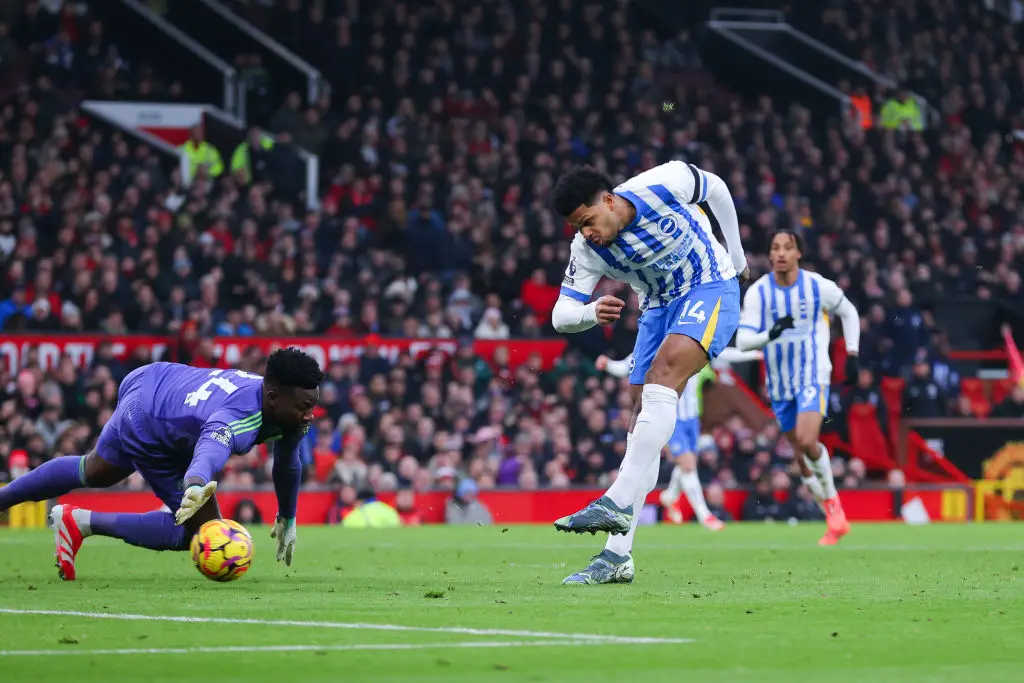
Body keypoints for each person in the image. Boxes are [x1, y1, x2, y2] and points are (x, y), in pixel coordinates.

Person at [549, 162, 747, 585]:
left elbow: (718, 188)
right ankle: (618, 557)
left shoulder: (664, 183)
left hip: (709, 285)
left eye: (586, 221)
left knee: (663, 377)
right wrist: (589, 312)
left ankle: (615, 498)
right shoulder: (586, 250)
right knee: (641, 421)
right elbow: (560, 316)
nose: (585, 233)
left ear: (607, 200)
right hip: (657, 306)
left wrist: (737, 254)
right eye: (576, 227)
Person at [0, 348, 323, 580]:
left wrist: (288, 516)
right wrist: (195, 482)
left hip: (152, 379)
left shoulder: (283, 405)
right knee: (203, 534)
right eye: (305, 406)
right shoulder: (240, 417)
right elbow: (211, 445)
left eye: (312, 405)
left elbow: (287, 461)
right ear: (272, 398)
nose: (310, 414)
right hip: (153, 421)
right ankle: (82, 521)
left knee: (95, 470)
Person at [735, 230, 860, 546]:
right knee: (802, 458)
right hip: (780, 384)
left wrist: (854, 353)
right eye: (775, 248)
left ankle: (833, 505)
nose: (780, 253)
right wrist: (770, 334)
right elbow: (744, 339)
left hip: (813, 374)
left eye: (787, 248)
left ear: (798, 253)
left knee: (806, 439)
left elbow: (848, 311)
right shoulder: (759, 293)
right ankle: (834, 518)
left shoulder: (817, 286)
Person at [596, 353, 724, 530]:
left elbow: (723, 353)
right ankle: (704, 515)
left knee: (688, 465)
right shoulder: (658, 343)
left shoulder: (695, 342)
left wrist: (754, 352)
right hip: (670, 415)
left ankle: (670, 495)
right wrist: (608, 364)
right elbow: (629, 364)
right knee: (687, 466)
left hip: (692, 418)